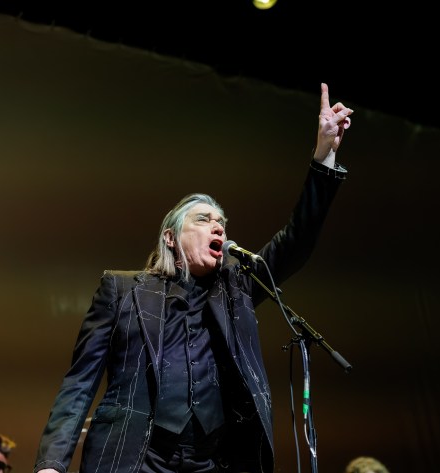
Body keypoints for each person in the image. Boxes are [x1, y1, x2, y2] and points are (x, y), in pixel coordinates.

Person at [33, 82, 354, 473]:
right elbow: (80, 382)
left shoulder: (236, 288)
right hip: (138, 457)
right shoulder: (120, 289)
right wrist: (52, 463)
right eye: (203, 219)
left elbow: (296, 240)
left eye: (222, 222)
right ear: (171, 237)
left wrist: (324, 156)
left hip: (211, 459)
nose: (218, 226)